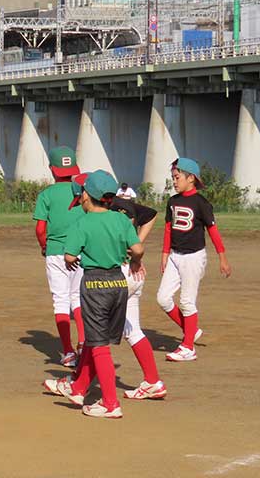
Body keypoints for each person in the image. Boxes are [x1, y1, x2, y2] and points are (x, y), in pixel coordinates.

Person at [45, 177, 167, 402]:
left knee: (96, 335)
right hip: (130, 275)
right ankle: (151, 381)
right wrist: (136, 256)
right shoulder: (118, 204)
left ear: (86, 194)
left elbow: (77, 249)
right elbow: (149, 216)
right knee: (130, 331)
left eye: (79, 197)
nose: (79, 203)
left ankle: (83, 388)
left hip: (109, 276)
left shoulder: (93, 213)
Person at [52, 170, 144, 419]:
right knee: (97, 340)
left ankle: (111, 403)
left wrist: (73, 259)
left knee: (99, 345)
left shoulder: (82, 223)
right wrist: (135, 261)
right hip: (119, 282)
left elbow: (70, 256)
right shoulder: (121, 220)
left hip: (94, 284)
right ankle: (79, 388)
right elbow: (138, 248)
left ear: (87, 195)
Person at [157, 157, 232, 362]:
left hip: (193, 257)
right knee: (163, 298)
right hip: (175, 255)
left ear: (191, 178)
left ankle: (188, 347)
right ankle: (190, 330)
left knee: (187, 301)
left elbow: (213, 231)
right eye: (173, 177)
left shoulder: (201, 203)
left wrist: (222, 257)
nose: (174, 181)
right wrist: (164, 255)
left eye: (177, 177)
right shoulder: (172, 201)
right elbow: (167, 229)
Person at [32, 145, 85, 367]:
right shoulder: (82, 190)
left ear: (52, 169)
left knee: (60, 300)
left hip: (55, 252)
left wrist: (44, 246)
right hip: (81, 252)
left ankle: (68, 351)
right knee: (78, 298)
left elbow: (40, 229)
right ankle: (84, 342)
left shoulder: (46, 194)